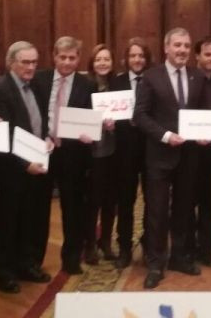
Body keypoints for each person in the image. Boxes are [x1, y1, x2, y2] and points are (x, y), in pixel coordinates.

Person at [134, 28, 211, 289]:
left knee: (184, 209)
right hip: (159, 156)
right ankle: (156, 263)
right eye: (177, 45)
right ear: (166, 48)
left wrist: (203, 134)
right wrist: (165, 136)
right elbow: (140, 115)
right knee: (157, 212)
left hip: (189, 156)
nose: (182, 50)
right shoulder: (151, 76)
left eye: (186, 46)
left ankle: (179, 257)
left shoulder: (197, 76)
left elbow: (202, 113)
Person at [0, 41, 52, 294]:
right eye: (25, 62)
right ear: (11, 63)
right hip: (12, 170)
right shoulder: (0, 90)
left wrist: (47, 137)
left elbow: (40, 120)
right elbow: (6, 134)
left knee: (29, 219)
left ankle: (27, 265)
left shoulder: (36, 86)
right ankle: (5, 275)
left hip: (37, 163)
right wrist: (25, 164)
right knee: (7, 222)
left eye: (34, 62)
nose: (31, 67)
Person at [41, 37, 99, 275]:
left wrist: (90, 132)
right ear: (54, 56)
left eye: (72, 58)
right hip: (43, 150)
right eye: (62, 57)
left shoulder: (88, 85)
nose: (66, 62)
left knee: (73, 208)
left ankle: (71, 259)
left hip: (73, 154)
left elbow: (91, 117)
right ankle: (33, 260)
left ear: (78, 59)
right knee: (38, 208)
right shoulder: (40, 80)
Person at [109, 38, 151, 268]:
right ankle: (124, 247)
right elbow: (107, 111)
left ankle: (148, 244)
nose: (137, 60)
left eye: (141, 55)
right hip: (124, 151)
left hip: (150, 149)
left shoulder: (155, 79)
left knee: (152, 200)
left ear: (147, 58)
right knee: (125, 201)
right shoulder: (116, 82)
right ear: (126, 59)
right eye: (133, 55)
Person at [190, 37, 211, 267]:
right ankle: (188, 248)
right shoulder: (189, 80)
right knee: (188, 201)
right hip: (190, 151)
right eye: (207, 54)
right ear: (197, 56)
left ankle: (206, 250)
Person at [87, 44, 119, 265]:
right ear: (92, 63)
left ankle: (105, 241)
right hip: (92, 153)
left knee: (110, 200)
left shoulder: (118, 87)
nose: (102, 63)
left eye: (106, 59)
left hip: (114, 152)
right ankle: (89, 244)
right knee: (93, 200)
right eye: (98, 59)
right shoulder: (84, 87)